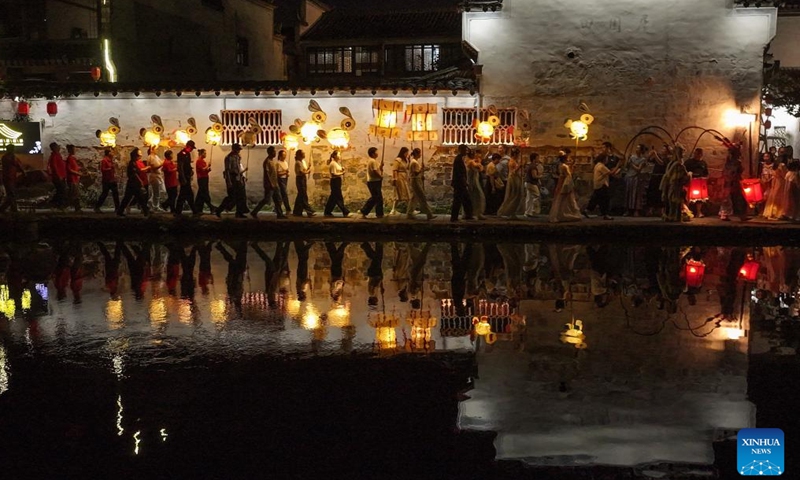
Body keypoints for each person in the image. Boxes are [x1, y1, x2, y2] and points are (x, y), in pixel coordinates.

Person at [251, 146, 287, 219]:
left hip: (275, 183)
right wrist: (271, 183)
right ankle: (254, 212)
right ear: (270, 152)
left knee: (278, 199)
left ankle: (279, 214)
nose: (275, 153)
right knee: (266, 199)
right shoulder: (267, 162)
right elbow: (267, 174)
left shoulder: (272, 161)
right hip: (270, 185)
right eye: (274, 151)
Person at [582, 153, 618, 220]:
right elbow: (611, 173)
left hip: (597, 184)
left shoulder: (597, 165)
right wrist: (618, 166)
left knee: (595, 199)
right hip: (602, 185)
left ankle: (587, 210)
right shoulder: (601, 166)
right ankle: (606, 214)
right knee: (605, 200)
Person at [217, 143, 249, 218]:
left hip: (238, 178)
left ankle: (239, 212)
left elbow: (238, 169)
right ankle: (219, 210)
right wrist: (229, 182)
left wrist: (242, 175)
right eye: (238, 149)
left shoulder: (237, 157)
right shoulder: (229, 157)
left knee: (241, 196)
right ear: (234, 149)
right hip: (232, 178)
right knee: (231, 197)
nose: (239, 151)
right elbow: (227, 170)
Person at [549, 152, 582, 223]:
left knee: (559, 198)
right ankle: (565, 214)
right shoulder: (564, 166)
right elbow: (568, 175)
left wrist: (572, 167)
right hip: (564, 183)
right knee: (565, 199)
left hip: (560, 182)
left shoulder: (561, 165)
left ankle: (558, 215)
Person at [660, 146, 690, 222]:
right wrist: (689, 174)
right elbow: (681, 177)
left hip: (671, 184)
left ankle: (671, 215)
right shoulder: (677, 164)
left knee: (672, 200)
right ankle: (673, 216)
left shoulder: (672, 163)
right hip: (675, 185)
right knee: (674, 201)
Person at [117, 148, 150, 216]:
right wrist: (140, 181)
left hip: (133, 183)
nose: (140, 156)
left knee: (134, 198)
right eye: (138, 155)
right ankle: (146, 212)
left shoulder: (134, 162)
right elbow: (135, 174)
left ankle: (120, 211)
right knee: (137, 198)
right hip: (133, 184)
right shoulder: (132, 163)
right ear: (135, 156)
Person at [719, 146, 749, 222]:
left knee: (737, 199)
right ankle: (725, 214)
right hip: (731, 182)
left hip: (733, 182)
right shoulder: (732, 162)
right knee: (729, 198)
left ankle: (741, 215)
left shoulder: (731, 162)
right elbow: (733, 172)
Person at [407, 147, 434, 220]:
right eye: (420, 153)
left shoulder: (414, 162)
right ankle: (429, 214)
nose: (420, 155)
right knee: (422, 197)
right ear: (416, 154)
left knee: (414, 198)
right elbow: (416, 173)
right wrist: (422, 169)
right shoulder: (414, 162)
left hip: (415, 180)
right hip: (415, 181)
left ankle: (409, 213)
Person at [498, 147, 524, 219]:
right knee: (514, 195)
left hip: (516, 178)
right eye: (517, 154)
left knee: (517, 195)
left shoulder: (515, 161)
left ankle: (513, 212)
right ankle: (508, 211)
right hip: (513, 179)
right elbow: (513, 172)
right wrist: (519, 166)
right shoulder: (511, 161)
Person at [450, 144, 474, 222]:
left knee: (465, 200)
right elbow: (459, 173)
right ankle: (454, 217)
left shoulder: (460, 159)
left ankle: (468, 215)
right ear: (461, 150)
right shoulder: (458, 159)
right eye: (465, 150)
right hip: (459, 184)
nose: (466, 152)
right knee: (459, 200)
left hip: (460, 183)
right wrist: (464, 181)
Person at [683, 147, 709, 218]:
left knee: (700, 198)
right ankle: (686, 212)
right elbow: (684, 171)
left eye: (698, 154)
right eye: (695, 153)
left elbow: (706, 173)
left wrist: (705, 178)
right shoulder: (688, 162)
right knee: (688, 197)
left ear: (701, 154)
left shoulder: (703, 163)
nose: (696, 155)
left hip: (700, 183)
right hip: (691, 182)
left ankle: (698, 212)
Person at [324, 150, 350, 217]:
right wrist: (342, 173)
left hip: (337, 181)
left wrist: (342, 169)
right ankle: (345, 211)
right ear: (335, 156)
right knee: (338, 197)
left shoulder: (336, 163)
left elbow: (338, 171)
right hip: (335, 181)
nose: (339, 156)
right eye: (338, 154)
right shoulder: (332, 163)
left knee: (333, 197)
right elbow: (333, 174)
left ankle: (327, 211)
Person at [624, 144, 648, 217]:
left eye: (638, 149)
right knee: (628, 193)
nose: (636, 150)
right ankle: (628, 210)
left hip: (636, 178)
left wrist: (632, 164)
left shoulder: (643, 160)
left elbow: (638, 169)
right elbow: (626, 166)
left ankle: (636, 210)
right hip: (629, 176)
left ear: (641, 150)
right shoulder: (632, 157)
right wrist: (627, 160)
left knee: (636, 195)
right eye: (636, 148)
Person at [360, 147, 384, 218]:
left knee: (377, 197)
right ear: (373, 153)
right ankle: (365, 210)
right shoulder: (372, 161)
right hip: (374, 181)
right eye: (376, 152)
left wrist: (381, 166)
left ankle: (378, 213)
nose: (378, 153)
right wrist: (380, 176)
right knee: (376, 197)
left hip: (374, 181)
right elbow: (374, 171)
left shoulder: (373, 161)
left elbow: (377, 169)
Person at [0, 145, 25, 213]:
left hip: (6, 178)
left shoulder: (4, 157)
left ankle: (13, 208)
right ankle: (4, 209)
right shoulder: (13, 157)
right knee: (12, 194)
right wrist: (24, 173)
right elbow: (19, 165)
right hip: (11, 178)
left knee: (10, 194)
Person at [175, 140, 197, 216]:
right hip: (183, 177)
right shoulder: (181, 154)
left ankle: (179, 212)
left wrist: (191, 170)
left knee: (186, 194)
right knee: (185, 194)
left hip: (187, 177)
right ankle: (193, 211)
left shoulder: (188, 154)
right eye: (191, 148)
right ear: (188, 146)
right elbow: (180, 167)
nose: (192, 150)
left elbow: (187, 165)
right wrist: (183, 178)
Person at [292, 149, 315, 217]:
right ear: (299, 155)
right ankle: (309, 211)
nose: (304, 154)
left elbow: (304, 170)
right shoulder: (298, 163)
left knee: (300, 195)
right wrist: (307, 172)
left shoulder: (303, 162)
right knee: (303, 195)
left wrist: (308, 168)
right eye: (303, 153)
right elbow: (301, 172)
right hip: (300, 179)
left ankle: (297, 211)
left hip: (303, 178)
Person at [390, 147, 411, 215]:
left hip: (404, 177)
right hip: (399, 177)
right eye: (406, 153)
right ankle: (393, 210)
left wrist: (409, 160)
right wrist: (395, 179)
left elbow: (407, 168)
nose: (407, 154)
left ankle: (410, 209)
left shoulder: (405, 160)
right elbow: (395, 170)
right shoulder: (398, 160)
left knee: (407, 192)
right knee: (398, 193)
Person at [194, 148, 216, 215]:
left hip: (205, 178)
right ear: (201, 154)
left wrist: (208, 169)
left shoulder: (203, 161)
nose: (206, 154)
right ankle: (211, 207)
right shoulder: (199, 161)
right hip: (201, 179)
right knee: (204, 193)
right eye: (205, 153)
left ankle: (198, 209)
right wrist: (207, 166)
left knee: (201, 194)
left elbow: (205, 170)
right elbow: (202, 169)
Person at [467, 149, 486, 219]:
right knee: (476, 196)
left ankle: (477, 213)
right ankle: (474, 213)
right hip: (472, 181)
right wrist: (480, 163)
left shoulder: (472, 161)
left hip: (475, 180)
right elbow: (480, 168)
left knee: (477, 197)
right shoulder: (471, 162)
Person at [47, 142, 67, 210]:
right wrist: (59, 176)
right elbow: (54, 166)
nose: (59, 147)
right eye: (57, 146)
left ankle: (55, 203)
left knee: (60, 191)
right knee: (61, 191)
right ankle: (57, 204)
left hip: (61, 176)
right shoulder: (54, 156)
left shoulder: (57, 155)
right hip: (58, 177)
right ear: (54, 148)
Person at [64, 145, 83, 212]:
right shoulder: (69, 158)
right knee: (73, 194)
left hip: (75, 178)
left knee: (75, 193)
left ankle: (77, 208)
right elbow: (69, 169)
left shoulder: (72, 159)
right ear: (70, 150)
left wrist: (81, 169)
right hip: (72, 179)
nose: (74, 151)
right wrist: (78, 173)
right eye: (73, 149)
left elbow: (75, 167)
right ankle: (70, 207)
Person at [524, 153, 544, 217]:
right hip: (531, 183)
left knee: (529, 198)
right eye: (538, 158)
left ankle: (528, 212)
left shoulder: (530, 165)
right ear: (534, 159)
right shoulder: (533, 166)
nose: (538, 159)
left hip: (528, 183)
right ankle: (534, 211)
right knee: (537, 196)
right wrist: (541, 176)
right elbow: (534, 176)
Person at [146, 146, 164, 212]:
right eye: (156, 149)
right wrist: (162, 164)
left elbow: (160, 163)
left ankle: (150, 202)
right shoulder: (150, 157)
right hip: (154, 176)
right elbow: (153, 167)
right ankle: (155, 206)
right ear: (152, 150)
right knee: (156, 192)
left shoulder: (156, 156)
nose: (157, 150)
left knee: (162, 191)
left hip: (159, 176)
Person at [275, 149, 292, 214]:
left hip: (285, 179)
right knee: (284, 194)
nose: (285, 156)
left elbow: (287, 172)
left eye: (285, 155)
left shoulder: (286, 162)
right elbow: (278, 173)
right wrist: (285, 172)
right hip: (280, 180)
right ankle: (288, 209)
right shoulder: (278, 163)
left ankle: (276, 209)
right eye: (283, 155)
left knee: (282, 194)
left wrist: (287, 174)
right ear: (280, 155)